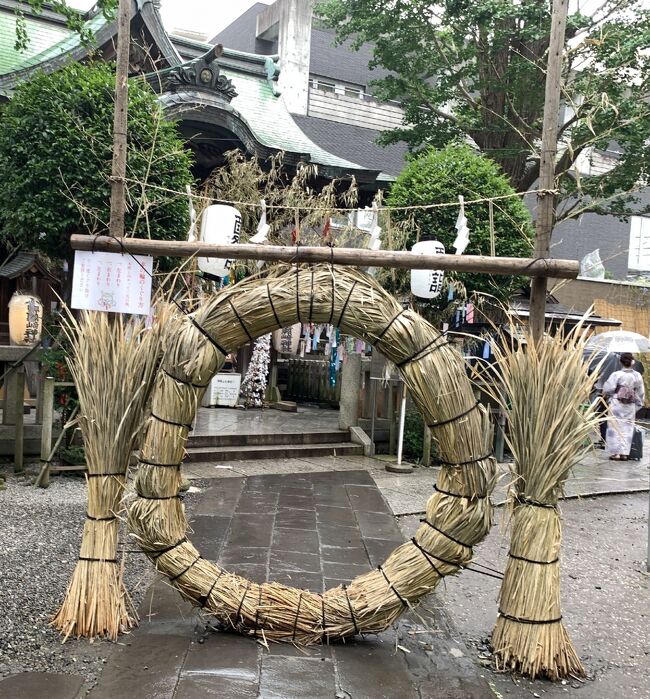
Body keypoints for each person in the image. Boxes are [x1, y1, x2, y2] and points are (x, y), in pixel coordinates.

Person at [602, 352, 645, 460]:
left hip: (617, 403)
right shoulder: (637, 375)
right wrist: (638, 405)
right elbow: (641, 392)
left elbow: (608, 389)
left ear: (620, 362)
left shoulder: (616, 374)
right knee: (627, 428)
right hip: (630, 405)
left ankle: (616, 453)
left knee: (614, 427)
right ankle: (624, 453)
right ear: (633, 362)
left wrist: (611, 395)